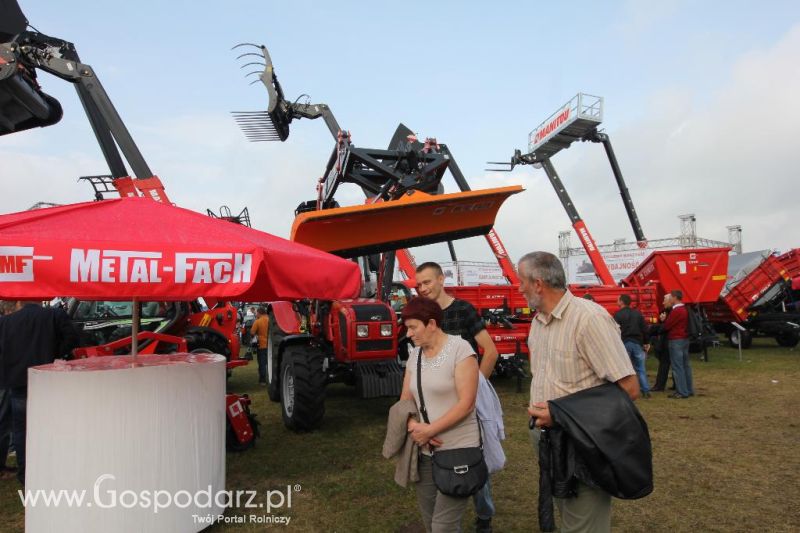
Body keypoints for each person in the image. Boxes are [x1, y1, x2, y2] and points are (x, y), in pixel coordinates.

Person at [519, 252, 639, 533]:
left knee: (584, 523)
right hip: (549, 440)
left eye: (520, 281)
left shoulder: (589, 319)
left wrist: (560, 415)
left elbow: (629, 388)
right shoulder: (539, 322)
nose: (518, 288)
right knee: (569, 514)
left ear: (538, 283)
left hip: (582, 443)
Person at [415, 262, 500, 532]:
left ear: (441, 279)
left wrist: (475, 388)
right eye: (419, 284)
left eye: (427, 282)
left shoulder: (462, 310)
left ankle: (484, 514)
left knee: (474, 456)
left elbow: (491, 350)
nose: (423, 288)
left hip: (466, 402)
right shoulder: (425, 318)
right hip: (439, 404)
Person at [399, 297, 480, 533]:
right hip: (424, 452)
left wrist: (430, 430)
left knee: (443, 527)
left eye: (413, 327)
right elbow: (405, 400)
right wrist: (413, 425)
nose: (409, 333)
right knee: (429, 520)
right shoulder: (414, 355)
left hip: (458, 452)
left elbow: (467, 403)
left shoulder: (461, 349)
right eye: (407, 328)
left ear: (432, 324)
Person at [0, 300, 78, 485]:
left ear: (19, 302)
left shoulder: (6, 322)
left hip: (19, 381)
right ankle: (52, 469)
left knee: (22, 431)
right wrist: (56, 355)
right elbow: (73, 338)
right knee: (53, 426)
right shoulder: (53, 315)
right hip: (47, 378)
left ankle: (26, 475)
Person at [614, 294, 651, 398]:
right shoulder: (637, 314)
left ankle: (626, 390)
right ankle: (646, 390)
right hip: (637, 343)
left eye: (618, 300)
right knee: (641, 368)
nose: (616, 301)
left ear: (621, 302)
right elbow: (644, 329)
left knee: (625, 369)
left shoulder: (618, 315)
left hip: (624, 343)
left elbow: (615, 331)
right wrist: (646, 342)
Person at [659, 290, 694, 399]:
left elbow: (667, 326)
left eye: (671, 298)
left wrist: (664, 321)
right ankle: (688, 389)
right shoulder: (685, 309)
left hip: (676, 340)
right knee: (685, 366)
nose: (669, 300)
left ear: (674, 298)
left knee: (677, 366)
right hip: (684, 339)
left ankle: (682, 391)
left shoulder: (677, 310)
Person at [250, 307, 270, 385]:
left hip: (261, 345)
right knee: (270, 363)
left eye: (257, 313)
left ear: (259, 313)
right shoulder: (270, 320)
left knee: (262, 363)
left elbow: (252, 332)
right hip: (270, 345)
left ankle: (262, 381)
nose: (256, 314)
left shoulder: (258, 321)